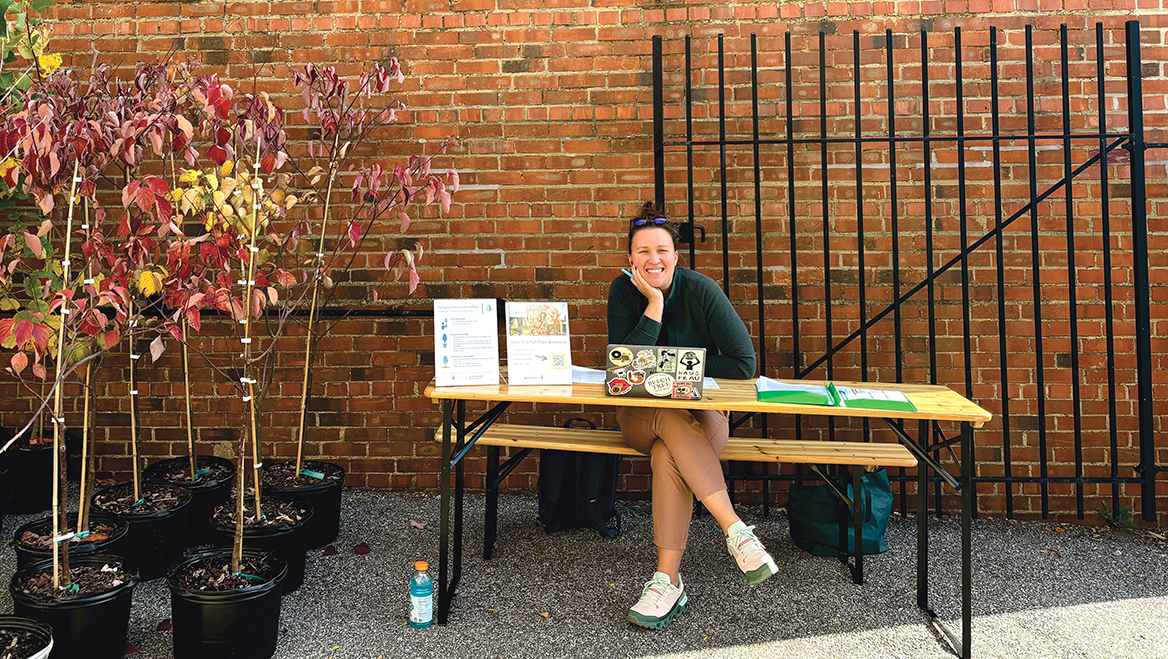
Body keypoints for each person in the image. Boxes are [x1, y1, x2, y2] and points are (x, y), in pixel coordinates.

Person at [607, 202, 778, 631]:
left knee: (670, 454)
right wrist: (653, 306)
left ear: (676, 255)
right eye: (643, 251)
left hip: (702, 422)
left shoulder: (702, 290)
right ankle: (736, 531)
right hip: (641, 420)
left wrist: (668, 370)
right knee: (664, 410)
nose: (653, 259)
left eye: (661, 250)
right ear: (630, 259)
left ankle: (666, 581)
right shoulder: (622, 292)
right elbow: (624, 372)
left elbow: (742, 362)